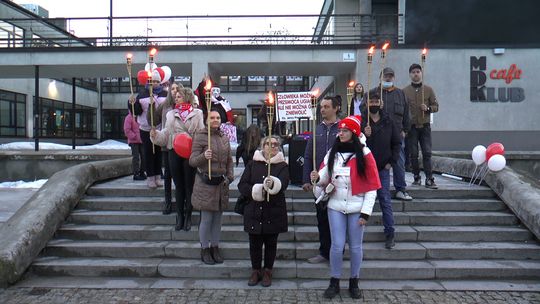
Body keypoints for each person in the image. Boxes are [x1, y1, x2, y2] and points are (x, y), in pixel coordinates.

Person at [312, 115, 380, 299]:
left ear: (354, 133)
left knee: (356, 247)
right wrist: (317, 179)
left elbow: (372, 187)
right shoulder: (332, 153)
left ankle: (354, 281)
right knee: (337, 245)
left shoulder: (365, 154)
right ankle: (334, 281)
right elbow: (325, 177)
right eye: (339, 130)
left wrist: (365, 213)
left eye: (344, 131)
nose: (340, 133)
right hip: (335, 206)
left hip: (357, 207)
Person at [238, 136, 289, 287]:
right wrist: (257, 190)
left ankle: (267, 271)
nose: (271, 147)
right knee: (254, 243)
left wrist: (273, 184)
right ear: (262, 146)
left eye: (275, 144)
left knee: (271, 243)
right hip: (254, 210)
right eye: (268, 144)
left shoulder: (282, 166)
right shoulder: (252, 164)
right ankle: (255, 270)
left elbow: (284, 184)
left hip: (273, 210)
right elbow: (242, 185)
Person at [151, 88, 204, 231]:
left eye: (179, 96)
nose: (176, 98)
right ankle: (179, 215)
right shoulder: (170, 114)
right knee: (179, 185)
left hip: (190, 153)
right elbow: (166, 134)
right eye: (175, 96)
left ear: (187, 97)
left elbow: (201, 134)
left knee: (189, 185)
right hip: (174, 151)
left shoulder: (197, 113)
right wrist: (156, 135)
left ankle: (188, 215)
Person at [189, 110, 234, 265]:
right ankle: (205, 249)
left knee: (218, 220)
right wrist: (203, 157)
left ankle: (215, 247)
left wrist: (230, 176)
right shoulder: (200, 136)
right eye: (212, 118)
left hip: (220, 183)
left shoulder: (224, 137)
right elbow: (192, 161)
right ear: (206, 120)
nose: (215, 120)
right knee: (207, 219)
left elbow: (229, 160)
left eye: (218, 117)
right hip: (205, 183)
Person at [302, 96, 340, 264]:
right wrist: (306, 179)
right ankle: (324, 252)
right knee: (322, 219)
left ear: (336, 108)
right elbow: (308, 155)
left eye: (326, 106)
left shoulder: (343, 129)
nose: (322, 109)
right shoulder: (317, 130)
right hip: (319, 184)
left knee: (337, 220)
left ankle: (338, 251)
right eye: (321, 106)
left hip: (338, 182)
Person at [362, 90, 401, 249]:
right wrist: (365, 135)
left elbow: (397, 143)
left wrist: (391, 162)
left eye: (376, 102)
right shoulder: (362, 121)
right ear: (366, 103)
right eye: (371, 102)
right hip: (365, 168)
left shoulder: (388, 121)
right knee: (361, 201)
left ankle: (390, 233)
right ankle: (357, 233)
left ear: (381, 103)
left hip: (383, 168)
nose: (374, 104)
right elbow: (354, 143)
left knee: (385, 199)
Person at [371, 67, 413, 201]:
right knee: (374, 162)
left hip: (396, 135)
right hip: (377, 135)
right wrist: (376, 107)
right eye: (385, 76)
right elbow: (364, 110)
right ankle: (374, 189)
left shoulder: (401, 94)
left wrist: (405, 131)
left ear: (393, 78)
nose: (388, 78)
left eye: (390, 76)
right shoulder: (373, 93)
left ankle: (400, 189)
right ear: (380, 77)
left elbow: (407, 114)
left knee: (399, 162)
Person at [403, 63, 440, 189]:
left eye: (418, 71)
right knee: (413, 154)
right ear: (410, 75)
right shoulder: (405, 91)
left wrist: (428, 108)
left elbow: (436, 107)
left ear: (421, 73)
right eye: (413, 72)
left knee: (427, 153)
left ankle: (429, 178)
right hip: (411, 127)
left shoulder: (428, 90)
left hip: (425, 126)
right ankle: (416, 177)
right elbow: (402, 109)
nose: (416, 74)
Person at [133, 70, 168, 189]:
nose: (154, 83)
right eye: (152, 81)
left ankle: (158, 176)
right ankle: (150, 177)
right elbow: (136, 111)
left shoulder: (165, 94)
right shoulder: (142, 93)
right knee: (148, 153)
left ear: (160, 82)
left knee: (158, 153)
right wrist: (132, 104)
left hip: (159, 127)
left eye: (156, 81)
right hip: (146, 128)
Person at [151, 82, 182, 214]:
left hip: (182, 145)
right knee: (168, 175)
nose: (174, 91)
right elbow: (153, 120)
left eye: (177, 88)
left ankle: (182, 201)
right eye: (172, 88)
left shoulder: (185, 105)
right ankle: (168, 202)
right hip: (167, 145)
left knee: (181, 176)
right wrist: (151, 106)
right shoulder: (165, 105)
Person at [124, 100, 146, 181]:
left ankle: (142, 172)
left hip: (142, 140)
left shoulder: (140, 116)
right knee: (136, 157)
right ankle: (135, 173)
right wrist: (134, 137)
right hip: (134, 141)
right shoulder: (129, 117)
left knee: (144, 157)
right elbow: (127, 130)